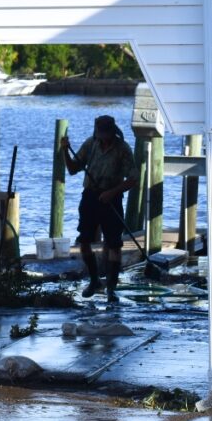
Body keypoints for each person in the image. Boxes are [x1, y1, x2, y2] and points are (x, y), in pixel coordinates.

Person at [60, 115, 138, 303]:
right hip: (90, 197)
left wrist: (112, 192)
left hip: (112, 198)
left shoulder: (123, 149)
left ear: (112, 131)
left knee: (114, 244)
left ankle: (111, 287)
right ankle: (94, 280)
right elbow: (72, 169)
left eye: (106, 134)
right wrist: (64, 150)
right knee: (84, 241)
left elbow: (133, 179)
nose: (103, 137)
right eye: (100, 133)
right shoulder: (90, 144)